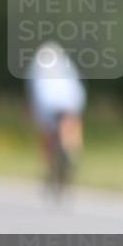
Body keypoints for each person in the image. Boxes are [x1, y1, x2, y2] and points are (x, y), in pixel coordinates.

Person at [26, 41, 86, 199]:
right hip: (70, 100)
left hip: (47, 102)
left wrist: (31, 113)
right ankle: (72, 150)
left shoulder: (36, 67)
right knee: (71, 125)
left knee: (47, 135)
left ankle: (49, 163)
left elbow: (32, 93)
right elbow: (77, 86)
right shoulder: (66, 64)